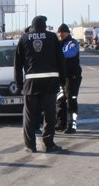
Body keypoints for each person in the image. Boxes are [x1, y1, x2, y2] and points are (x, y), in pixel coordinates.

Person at [15, 16, 66, 153]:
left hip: (31, 84)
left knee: (29, 117)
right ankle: (49, 144)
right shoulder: (52, 37)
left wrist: (19, 83)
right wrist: (63, 80)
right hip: (50, 83)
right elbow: (60, 60)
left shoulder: (24, 38)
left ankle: (30, 146)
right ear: (44, 26)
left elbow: (17, 64)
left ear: (32, 26)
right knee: (50, 115)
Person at [55, 24, 82, 134]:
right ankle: (61, 124)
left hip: (72, 77)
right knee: (60, 100)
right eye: (58, 33)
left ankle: (72, 126)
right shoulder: (59, 44)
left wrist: (56, 54)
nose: (60, 34)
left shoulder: (72, 43)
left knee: (71, 101)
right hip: (62, 78)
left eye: (61, 32)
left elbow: (69, 54)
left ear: (67, 32)